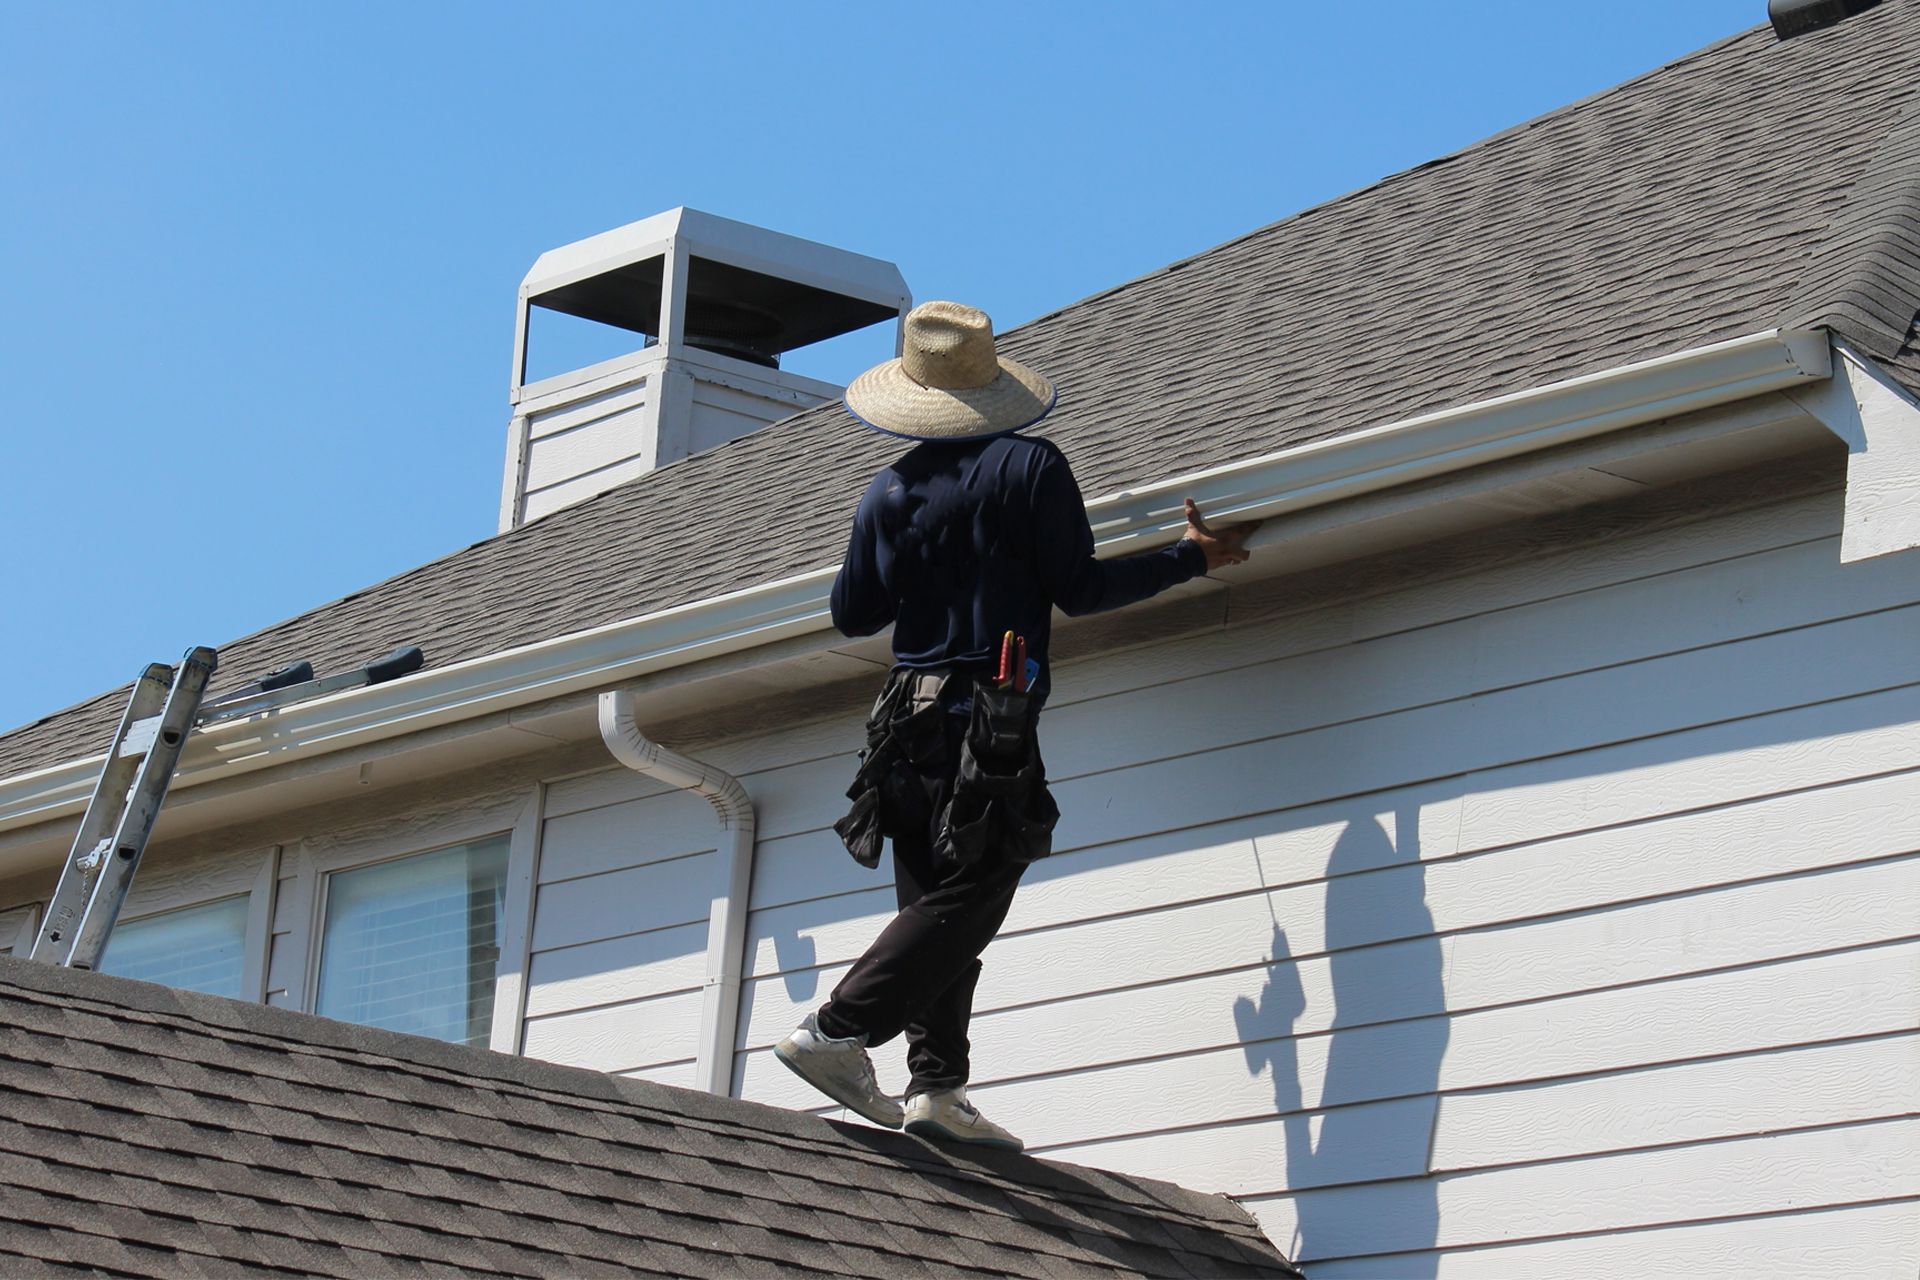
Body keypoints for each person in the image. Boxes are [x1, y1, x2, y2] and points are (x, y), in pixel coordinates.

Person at [775, 300, 1257, 1150]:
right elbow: (1082, 589)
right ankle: (836, 1032)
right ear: (989, 384)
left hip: (903, 724)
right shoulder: (1028, 469)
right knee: (979, 884)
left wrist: (911, 553)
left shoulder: (888, 490)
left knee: (932, 901)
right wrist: (1193, 556)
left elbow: (854, 614)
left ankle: (938, 1088)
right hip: (985, 720)